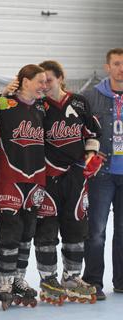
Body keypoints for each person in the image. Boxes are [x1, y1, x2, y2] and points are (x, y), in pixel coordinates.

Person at [31, 60, 101, 305]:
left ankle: (72, 277)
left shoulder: (79, 102)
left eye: (49, 80)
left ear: (61, 78)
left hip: (75, 177)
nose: (44, 85)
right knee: (47, 229)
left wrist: (91, 155)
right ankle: (48, 279)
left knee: (76, 227)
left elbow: (92, 133)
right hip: (47, 178)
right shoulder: (37, 106)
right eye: (41, 81)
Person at [0, 64, 47, 310]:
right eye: (39, 81)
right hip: (10, 177)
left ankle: (19, 278)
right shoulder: (6, 104)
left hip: (35, 177)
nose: (44, 86)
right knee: (9, 230)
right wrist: (3, 95)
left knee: (27, 231)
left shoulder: (42, 108)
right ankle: (5, 280)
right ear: (25, 82)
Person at [82, 48, 123, 300]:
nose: (121, 69)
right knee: (96, 231)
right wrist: (90, 150)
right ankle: (93, 281)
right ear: (108, 67)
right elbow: (78, 130)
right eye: (116, 64)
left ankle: (121, 281)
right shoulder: (90, 97)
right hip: (101, 175)